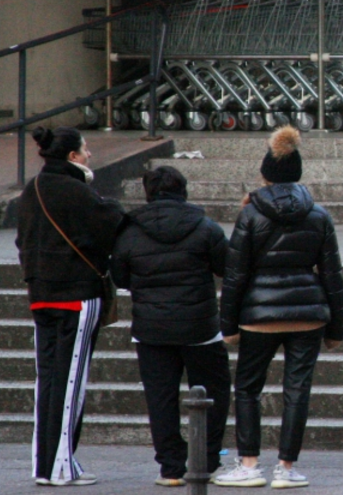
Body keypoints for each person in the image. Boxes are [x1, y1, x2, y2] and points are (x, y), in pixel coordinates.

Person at [215, 126, 343, 489]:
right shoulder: (318, 215)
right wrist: (336, 329)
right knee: (297, 390)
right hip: (307, 315)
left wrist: (228, 325)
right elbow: (333, 275)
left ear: (266, 174)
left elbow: (235, 274)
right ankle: (286, 468)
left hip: (258, 316)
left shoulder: (250, 214)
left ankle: (249, 463)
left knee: (247, 388)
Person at [15, 127, 125, 486]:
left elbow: (21, 239)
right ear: (73, 156)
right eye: (86, 149)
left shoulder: (32, 189)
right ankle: (62, 465)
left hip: (40, 293)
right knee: (71, 380)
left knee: (47, 378)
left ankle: (44, 466)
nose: (90, 154)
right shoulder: (76, 190)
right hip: (76, 294)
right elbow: (110, 225)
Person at [111, 166, 230, 488]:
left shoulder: (129, 231)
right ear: (183, 191)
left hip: (151, 330)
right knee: (214, 392)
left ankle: (171, 468)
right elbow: (226, 267)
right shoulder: (205, 227)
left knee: (160, 397)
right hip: (200, 327)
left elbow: (120, 276)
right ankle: (207, 459)